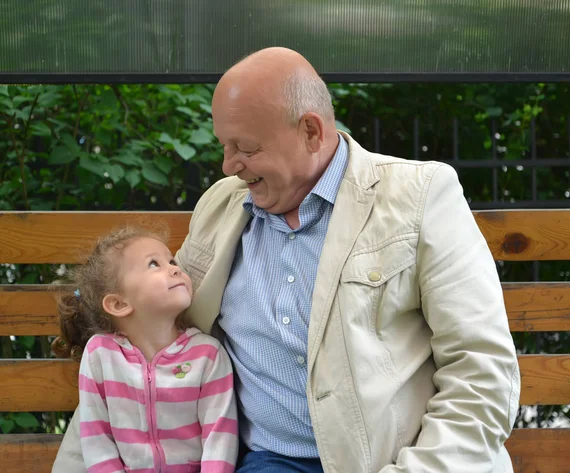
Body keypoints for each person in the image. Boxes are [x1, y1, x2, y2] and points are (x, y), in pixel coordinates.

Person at [53, 47, 520, 473]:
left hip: (393, 463)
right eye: (224, 145)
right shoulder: (219, 206)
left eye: (247, 148)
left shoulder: (420, 196)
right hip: (264, 461)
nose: (229, 164)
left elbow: (481, 371)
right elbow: (145, 342)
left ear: (311, 131)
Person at [51, 225, 238, 473]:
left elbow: (220, 439)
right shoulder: (100, 355)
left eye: (171, 261)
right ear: (119, 303)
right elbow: (96, 439)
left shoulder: (207, 355)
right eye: (154, 264)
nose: (175, 269)